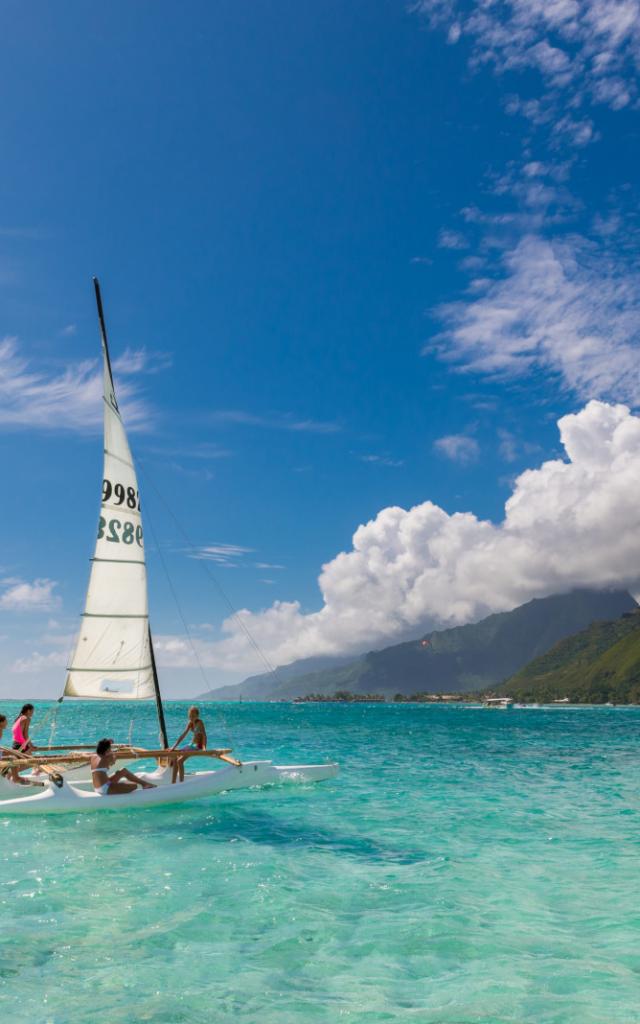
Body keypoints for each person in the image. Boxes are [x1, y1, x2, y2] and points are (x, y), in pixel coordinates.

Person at [91, 738, 156, 796]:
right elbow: (113, 761)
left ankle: (145, 784)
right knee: (134, 785)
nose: (111, 749)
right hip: (105, 789)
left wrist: (110, 745)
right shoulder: (108, 757)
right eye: (110, 748)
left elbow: (109, 753)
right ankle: (145, 784)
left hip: (97, 787)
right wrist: (119, 749)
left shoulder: (93, 756)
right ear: (107, 750)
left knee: (122, 771)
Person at [170, 706, 207, 783]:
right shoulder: (190, 723)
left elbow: (204, 735)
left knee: (180, 761)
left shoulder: (200, 723)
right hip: (191, 745)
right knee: (175, 758)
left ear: (197, 716)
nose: (191, 718)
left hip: (198, 746)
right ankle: (173, 782)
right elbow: (183, 735)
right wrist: (174, 746)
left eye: (193, 716)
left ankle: (181, 782)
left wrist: (204, 748)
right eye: (190, 716)